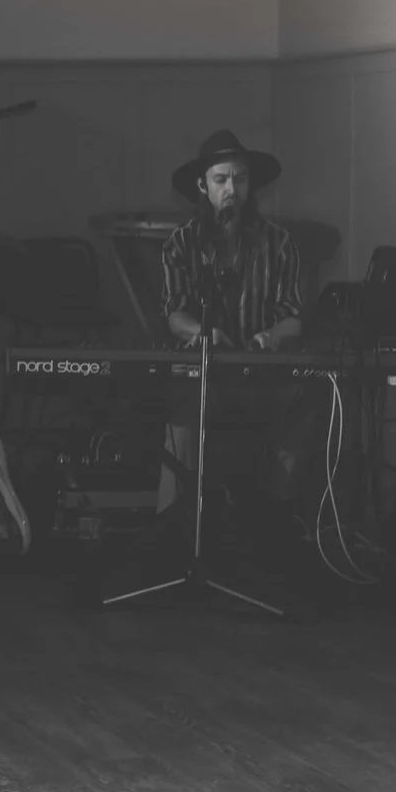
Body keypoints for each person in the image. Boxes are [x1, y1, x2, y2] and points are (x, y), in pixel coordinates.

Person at [156, 128, 318, 514]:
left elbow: (294, 318)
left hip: (263, 378)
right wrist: (203, 331)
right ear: (203, 186)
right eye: (221, 179)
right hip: (206, 378)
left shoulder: (279, 243)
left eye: (240, 178)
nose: (232, 188)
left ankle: (280, 517)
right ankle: (175, 524)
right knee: (184, 405)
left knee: (307, 399)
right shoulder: (181, 243)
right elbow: (174, 315)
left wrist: (272, 335)